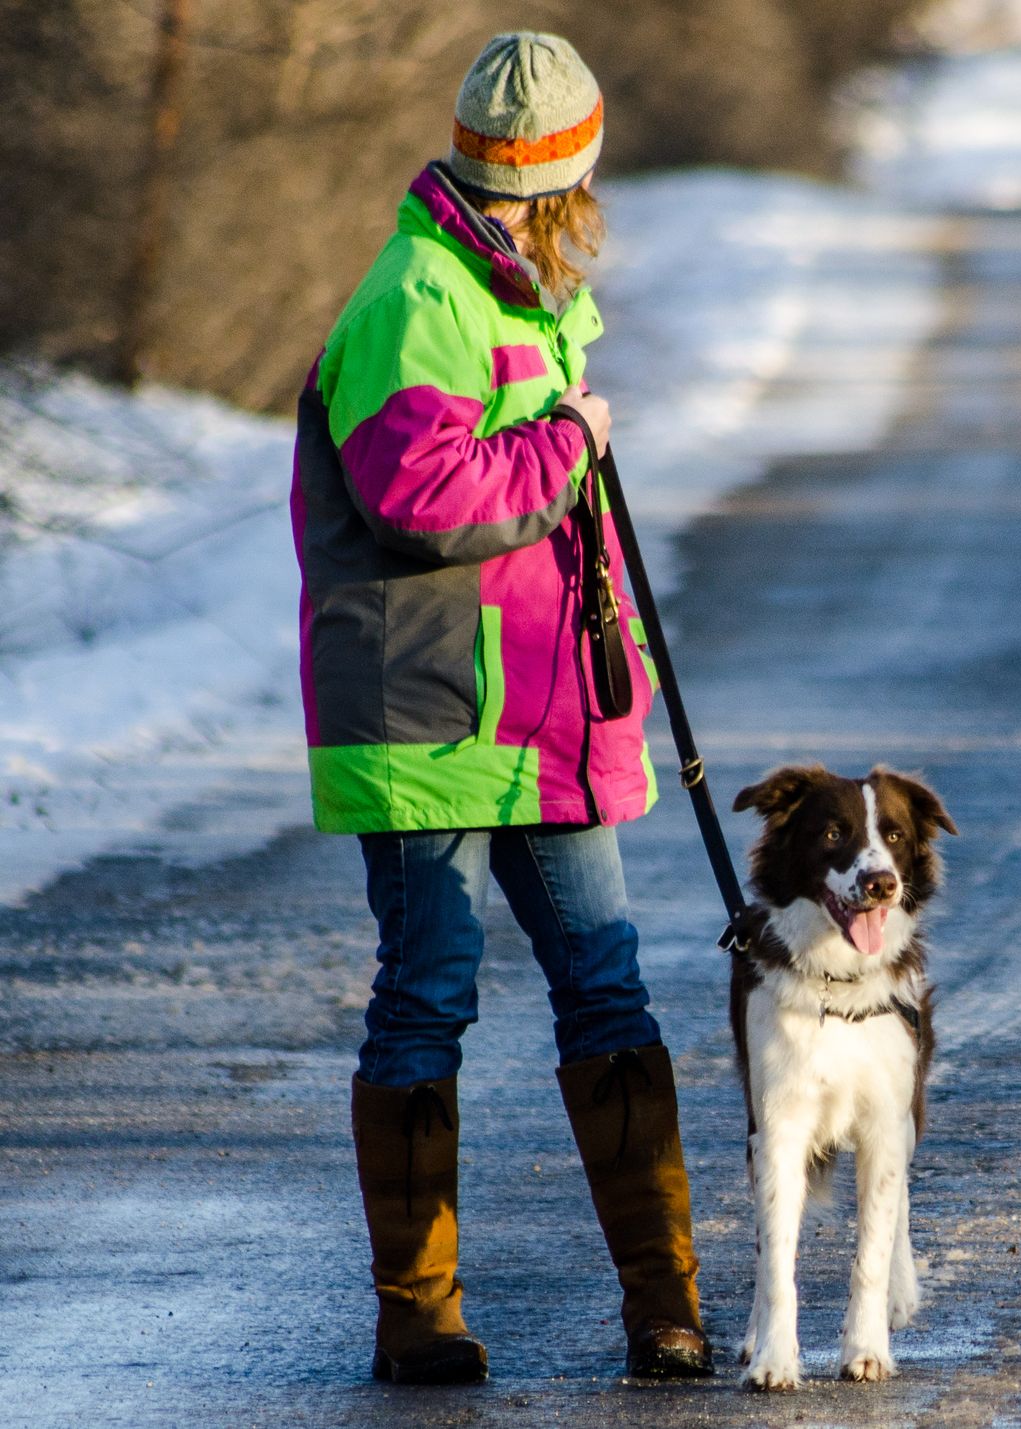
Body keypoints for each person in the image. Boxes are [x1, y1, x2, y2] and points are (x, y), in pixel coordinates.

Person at [289, 32, 711, 1386]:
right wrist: (573, 435)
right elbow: (426, 499)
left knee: (610, 988)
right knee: (426, 1001)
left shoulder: (517, 292)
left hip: (539, 717)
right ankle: (417, 1314)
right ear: (569, 171)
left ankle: (668, 1308)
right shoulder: (422, 295)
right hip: (426, 720)